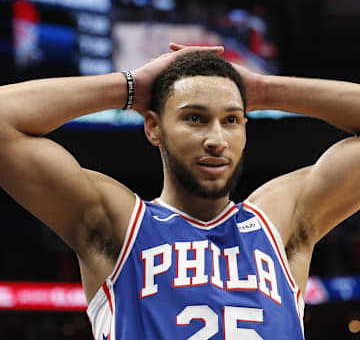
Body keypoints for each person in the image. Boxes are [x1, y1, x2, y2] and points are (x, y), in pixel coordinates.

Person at [0, 43, 359, 340]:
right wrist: (130, 87)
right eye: (195, 118)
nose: (216, 140)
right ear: (154, 128)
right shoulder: (120, 225)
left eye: (231, 120)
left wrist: (266, 90)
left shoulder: (279, 225)